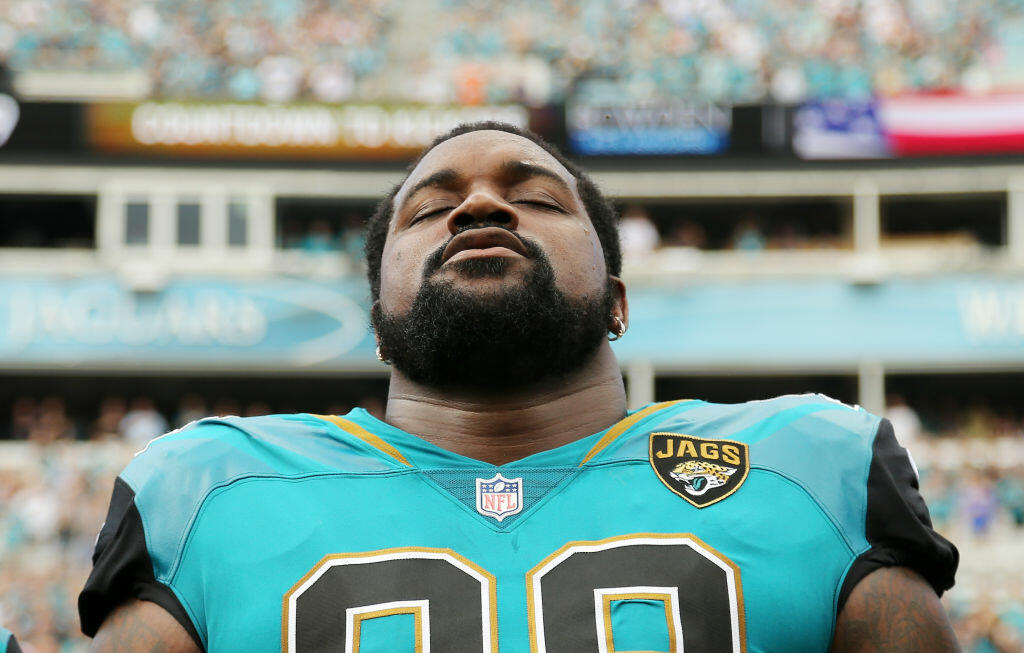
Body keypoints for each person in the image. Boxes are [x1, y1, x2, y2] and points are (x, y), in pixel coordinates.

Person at [79, 122, 959, 651]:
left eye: (536, 196)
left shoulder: (812, 463)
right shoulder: (203, 489)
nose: (478, 208)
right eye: (430, 209)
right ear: (378, 315)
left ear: (618, 298)